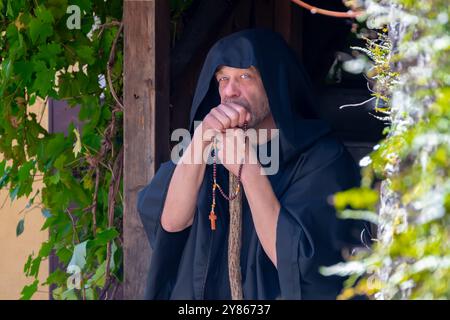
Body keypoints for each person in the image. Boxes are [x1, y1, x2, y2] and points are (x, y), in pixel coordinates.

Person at [137, 28, 368, 300]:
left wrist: (249, 168)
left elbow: (298, 263)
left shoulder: (321, 158)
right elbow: (171, 223)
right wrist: (199, 141)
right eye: (223, 78)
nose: (229, 91)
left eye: (245, 76)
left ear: (274, 84)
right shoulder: (204, 150)